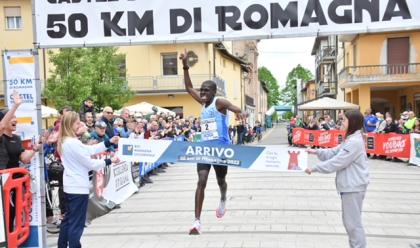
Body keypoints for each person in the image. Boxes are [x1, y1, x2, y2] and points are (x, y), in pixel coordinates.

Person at [180, 51, 247, 235]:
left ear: (213, 92)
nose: (202, 93)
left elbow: (233, 107)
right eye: (201, 91)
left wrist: (239, 111)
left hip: (221, 149)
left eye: (206, 91)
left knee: (221, 180)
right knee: (201, 180)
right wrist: (185, 65)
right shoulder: (203, 102)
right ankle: (197, 222)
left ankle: (223, 197)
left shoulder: (218, 102)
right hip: (204, 148)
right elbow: (188, 87)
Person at [305, 109, 369, 248]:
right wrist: (316, 151)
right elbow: (335, 151)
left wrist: (315, 168)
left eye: (344, 120)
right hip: (350, 186)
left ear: (352, 122)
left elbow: (337, 162)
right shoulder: (351, 139)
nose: (342, 122)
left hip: (353, 187)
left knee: (353, 224)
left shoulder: (354, 142)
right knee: (350, 223)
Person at [57, 111, 119, 248]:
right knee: (76, 223)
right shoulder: (72, 142)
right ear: (70, 124)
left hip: (70, 186)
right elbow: (90, 163)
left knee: (68, 220)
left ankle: (62, 245)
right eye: (77, 123)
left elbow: (89, 150)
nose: (80, 125)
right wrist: (110, 161)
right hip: (77, 187)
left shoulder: (66, 141)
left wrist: (108, 142)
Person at [0, 91, 43, 232]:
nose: (15, 120)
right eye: (11, 117)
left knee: (12, 214)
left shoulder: (17, 138)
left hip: (14, 183)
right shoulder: (1, 136)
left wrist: (36, 148)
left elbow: (23, 158)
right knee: (3, 216)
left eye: (16, 117)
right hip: (2, 182)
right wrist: (15, 106)